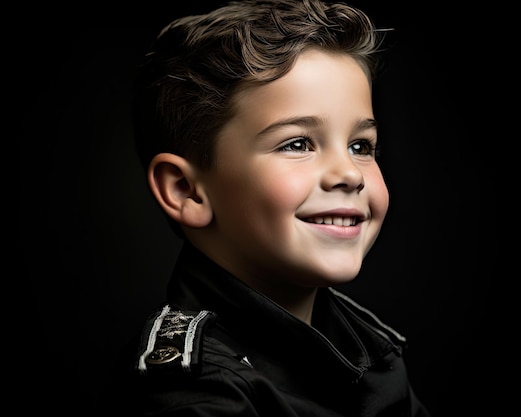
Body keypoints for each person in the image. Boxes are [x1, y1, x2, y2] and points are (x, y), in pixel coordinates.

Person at [103, 0, 431, 415]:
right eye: (297, 144)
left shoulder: (370, 348)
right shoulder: (194, 395)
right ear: (186, 190)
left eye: (360, 146)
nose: (350, 173)